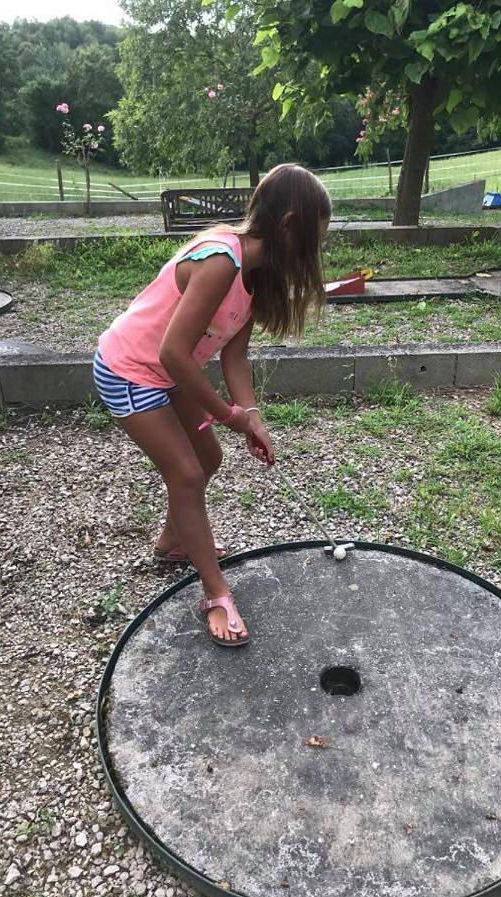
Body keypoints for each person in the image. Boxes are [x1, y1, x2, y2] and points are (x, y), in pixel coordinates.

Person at [93, 163, 332, 648]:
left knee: (208, 457)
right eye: (314, 240)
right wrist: (227, 415)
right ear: (289, 225)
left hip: (167, 375)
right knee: (186, 474)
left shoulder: (256, 275)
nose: (315, 253)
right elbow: (173, 353)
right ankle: (215, 592)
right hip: (128, 371)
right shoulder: (222, 259)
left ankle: (173, 542)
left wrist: (252, 418)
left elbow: (234, 357)